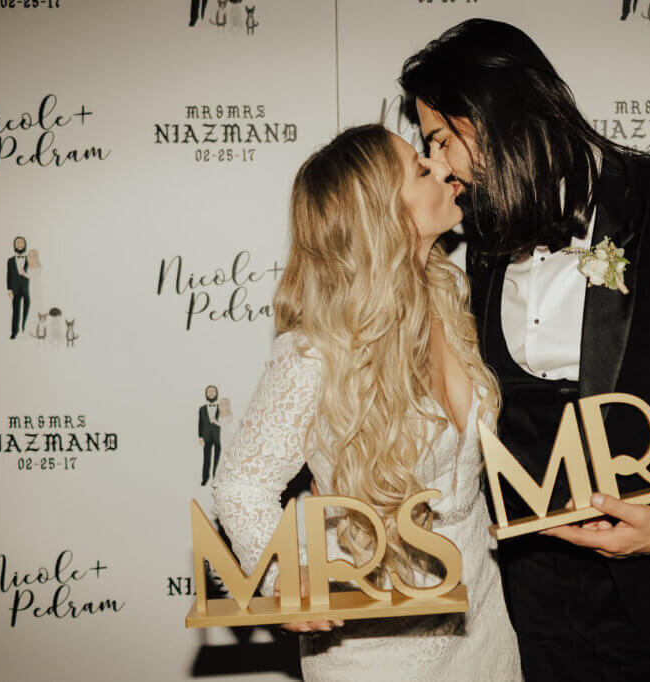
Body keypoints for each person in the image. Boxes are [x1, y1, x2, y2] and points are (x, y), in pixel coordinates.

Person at [400, 19, 650, 681]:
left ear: (496, 113)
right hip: (540, 613)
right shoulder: (477, 250)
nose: (441, 166)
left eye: (443, 139)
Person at [211, 124, 521, 681]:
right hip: (378, 642)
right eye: (421, 170)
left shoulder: (452, 299)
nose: (444, 168)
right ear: (385, 214)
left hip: (482, 627)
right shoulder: (313, 355)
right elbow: (240, 487)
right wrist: (293, 578)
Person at [198, 385, 222, 486]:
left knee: (217, 457)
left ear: (216, 393)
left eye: (213, 392)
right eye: (209, 392)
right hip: (206, 437)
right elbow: (200, 423)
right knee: (206, 458)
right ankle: (205, 477)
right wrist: (200, 437)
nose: (211, 394)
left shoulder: (221, 408)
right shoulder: (202, 409)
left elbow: (225, 421)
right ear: (206, 394)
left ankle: (215, 475)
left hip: (217, 437)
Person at [7, 236, 30, 340]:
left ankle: (25, 329)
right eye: (17, 243)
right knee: (15, 311)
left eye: (21, 243)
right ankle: (14, 332)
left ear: (24, 244)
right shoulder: (10, 260)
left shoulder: (29, 258)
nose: (19, 245)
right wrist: (9, 290)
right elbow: (8, 275)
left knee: (27, 310)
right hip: (15, 290)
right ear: (14, 245)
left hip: (27, 289)